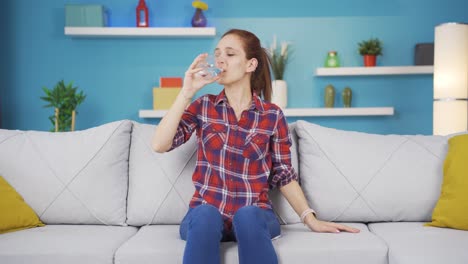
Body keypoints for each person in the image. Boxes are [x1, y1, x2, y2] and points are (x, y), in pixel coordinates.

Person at [152, 28, 360, 264]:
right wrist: (186, 92)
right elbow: (160, 144)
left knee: (248, 215)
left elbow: (283, 174)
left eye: (230, 54)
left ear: (251, 65)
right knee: (205, 213)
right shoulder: (204, 107)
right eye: (217, 53)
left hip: (256, 214)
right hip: (205, 215)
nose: (220, 59)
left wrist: (310, 218)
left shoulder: (272, 116)